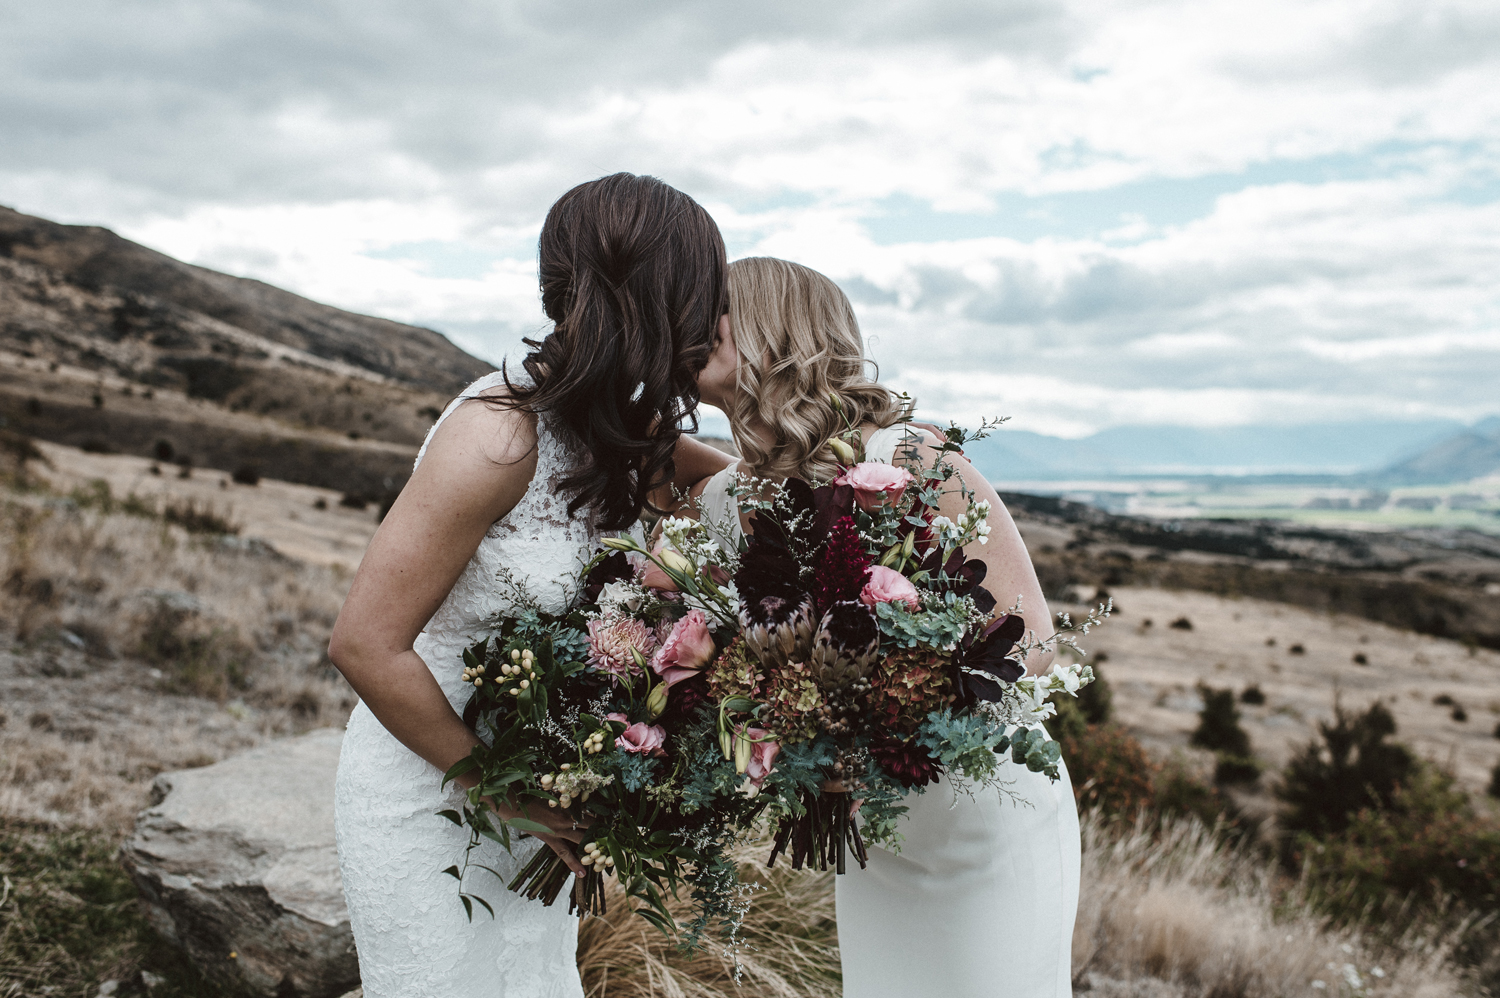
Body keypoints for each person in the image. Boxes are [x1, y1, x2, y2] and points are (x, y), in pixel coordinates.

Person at [328, 173, 734, 997]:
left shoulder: (628, 433)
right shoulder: (496, 436)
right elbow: (365, 645)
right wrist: (506, 793)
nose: (713, 319)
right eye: (705, 296)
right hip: (435, 794)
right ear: (660, 297)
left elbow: (759, 494)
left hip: (545, 804)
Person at [688, 256, 1081, 997]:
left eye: (707, 312)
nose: (682, 329)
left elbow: (1032, 643)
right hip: (878, 837)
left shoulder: (910, 457)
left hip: (983, 822)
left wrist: (875, 720)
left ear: (773, 325)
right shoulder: (721, 499)